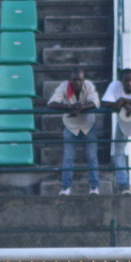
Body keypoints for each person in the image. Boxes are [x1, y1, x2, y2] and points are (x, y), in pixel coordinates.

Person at [47, 68, 101, 197]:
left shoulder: (88, 85)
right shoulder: (63, 87)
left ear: (84, 80)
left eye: (80, 80)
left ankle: (94, 187)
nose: (77, 82)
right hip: (70, 126)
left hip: (88, 125)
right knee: (68, 157)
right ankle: (66, 187)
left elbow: (96, 102)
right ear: (70, 80)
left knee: (92, 156)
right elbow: (51, 103)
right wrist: (69, 106)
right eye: (75, 80)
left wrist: (82, 107)